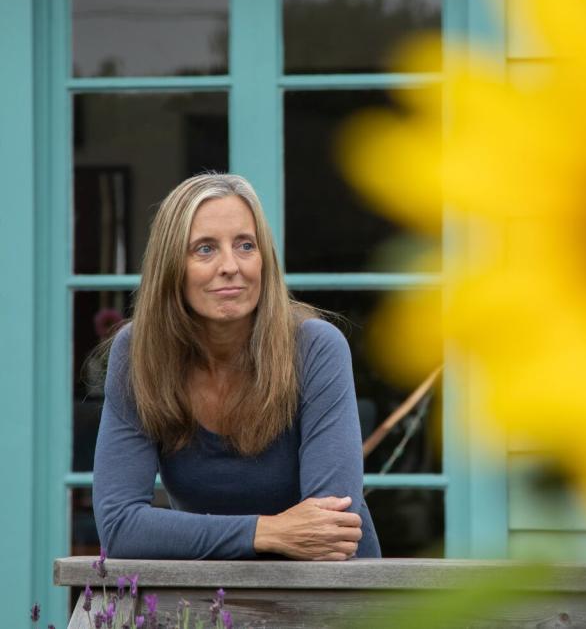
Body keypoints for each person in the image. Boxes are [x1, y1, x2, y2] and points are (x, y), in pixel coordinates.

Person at [92, 173, 380, 560]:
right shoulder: (138, 354)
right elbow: (120, 527)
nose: (230, 265)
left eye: (245, 245)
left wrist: (193, 535)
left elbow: (330, 527)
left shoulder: (315, 347)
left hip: (332, 599)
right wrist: (266, 531)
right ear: (171, 265)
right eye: (205, 249)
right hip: (214, 601)